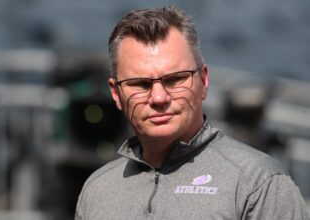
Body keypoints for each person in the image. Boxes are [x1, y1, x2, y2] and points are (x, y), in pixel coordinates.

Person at [75, 6, 310, 220]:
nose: (158, 98)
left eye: (175, 79)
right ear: (116, 94)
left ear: (203, 81)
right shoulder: (97, 190)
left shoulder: (258, 183)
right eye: (140, 84)